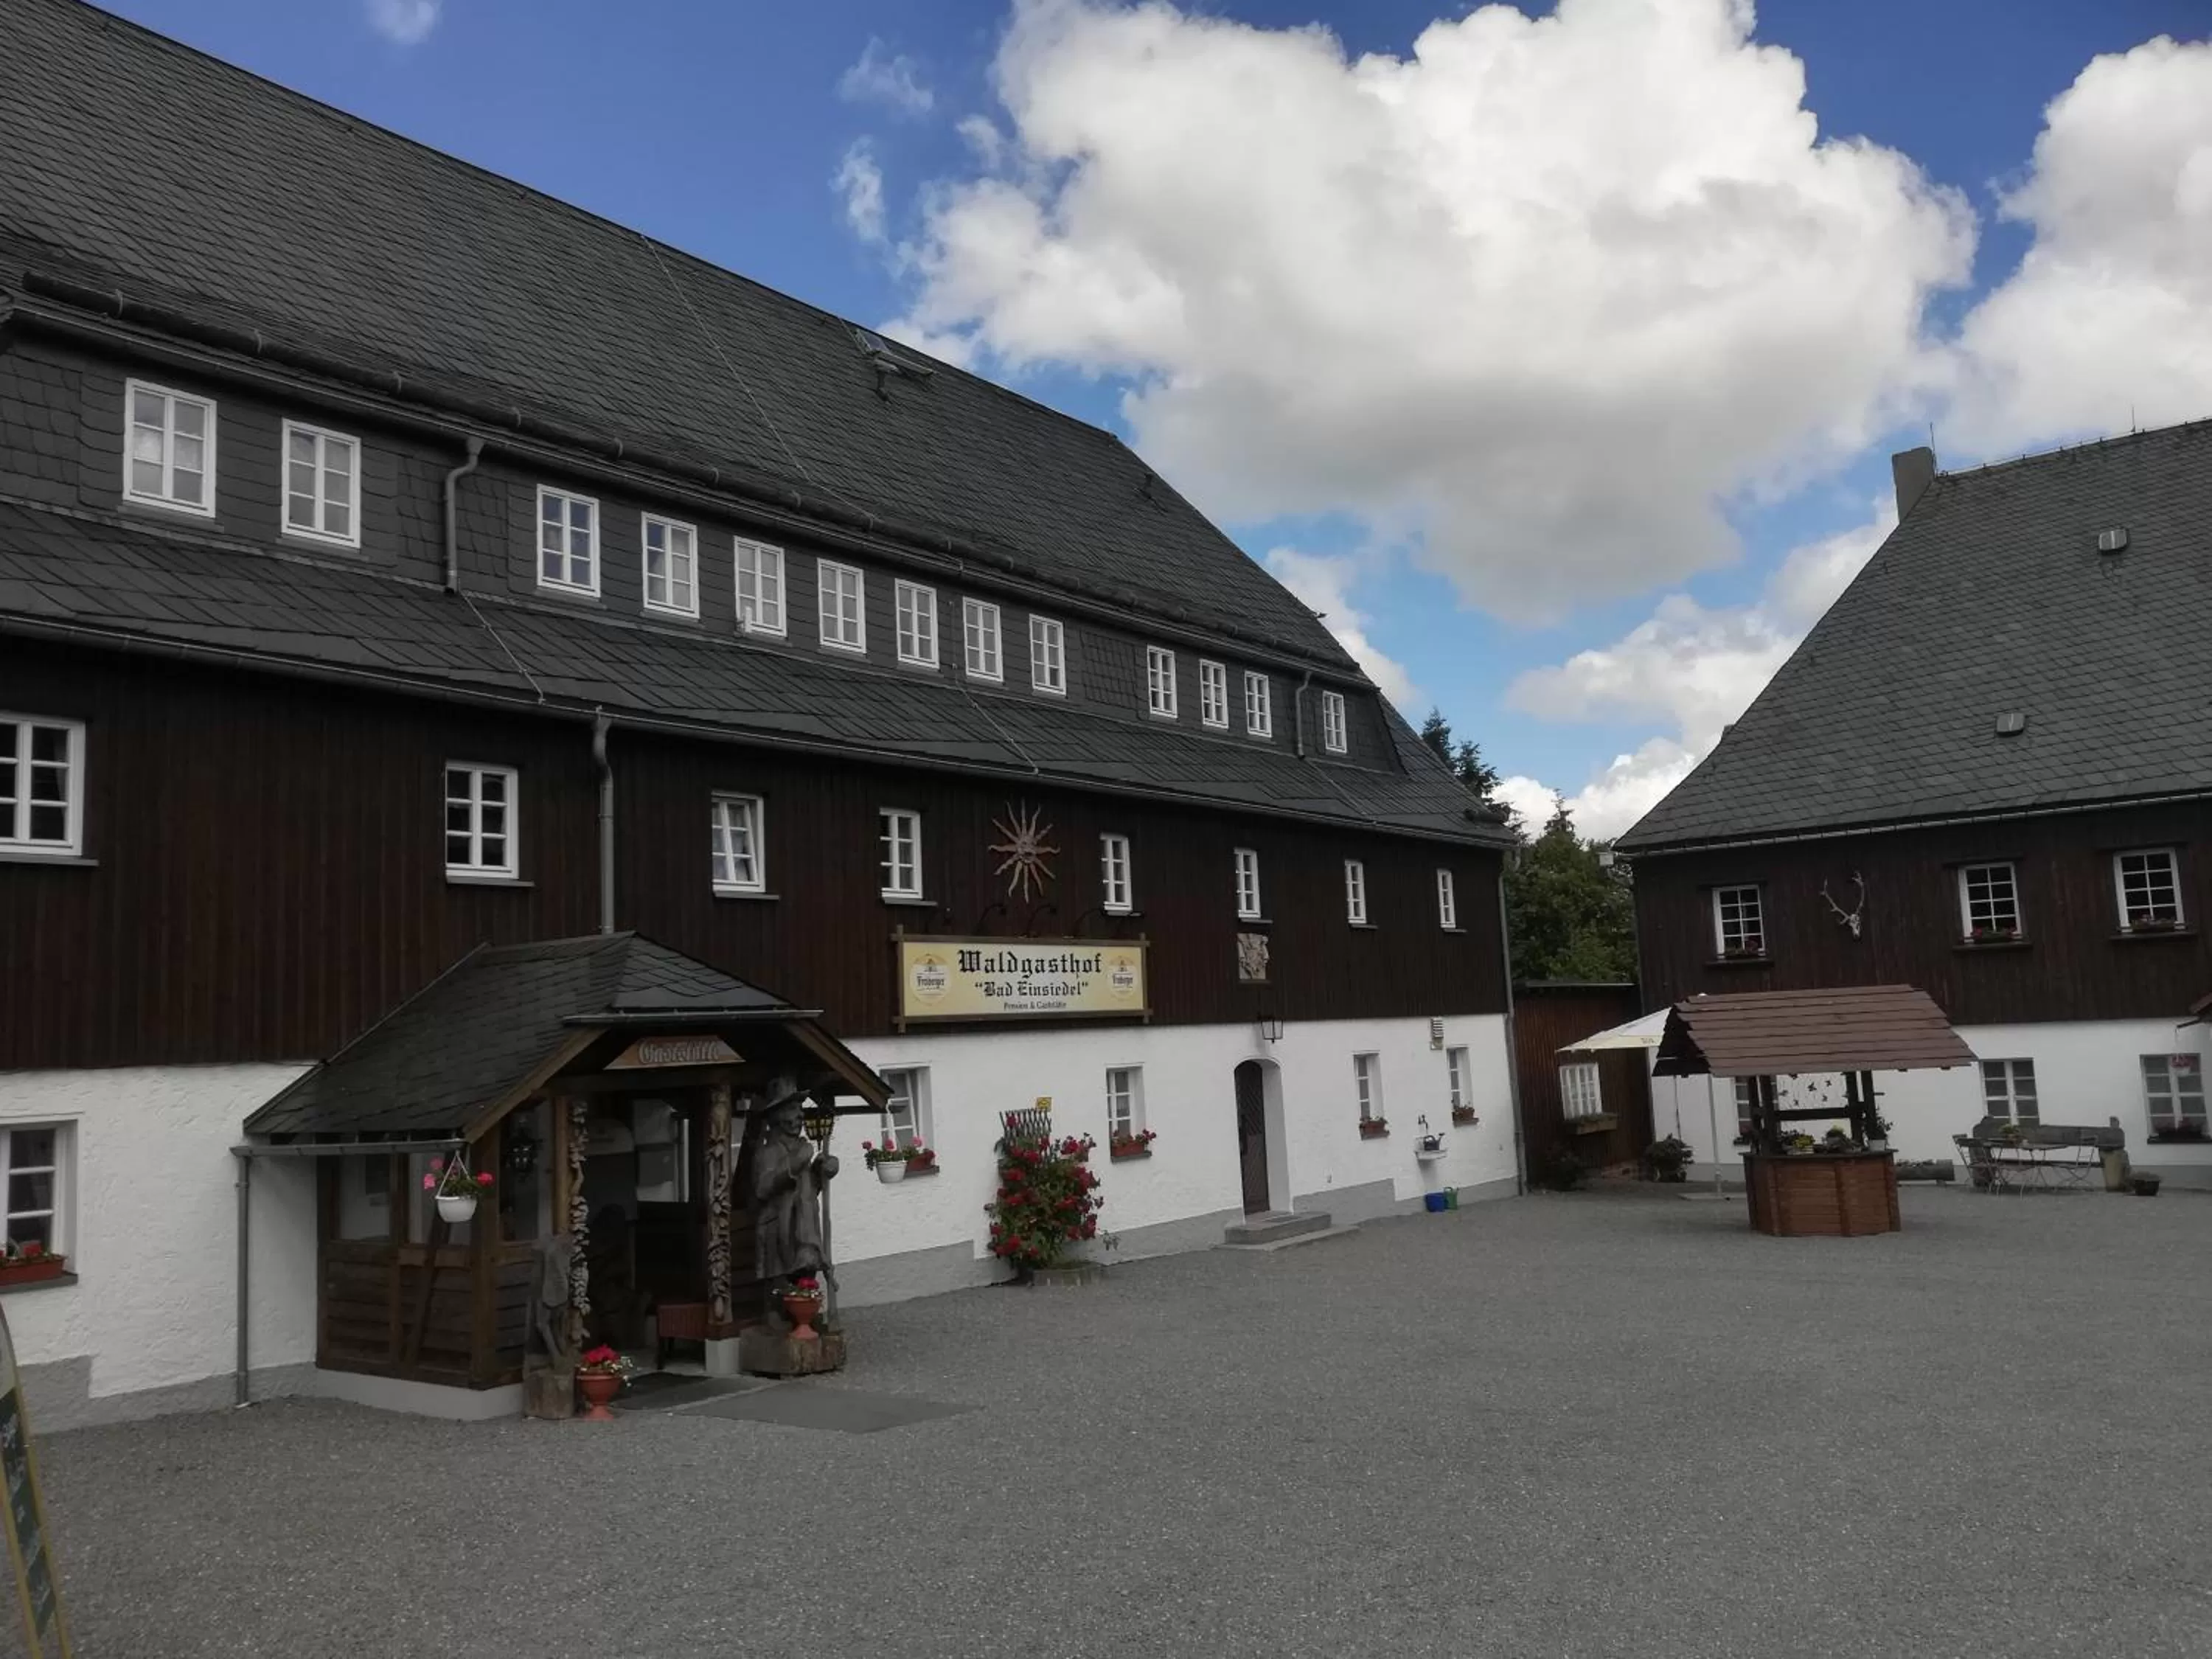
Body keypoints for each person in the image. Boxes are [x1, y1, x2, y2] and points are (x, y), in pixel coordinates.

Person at [751, 1085, 837, 1289]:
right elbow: (762, 1189)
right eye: (792, 1108)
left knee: (806, 1288)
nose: (800, 1115)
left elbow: (808, 1188)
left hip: (805, 1233)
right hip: (779, 1230)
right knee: (780, 1295)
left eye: (800, 1108)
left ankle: (806, 1316)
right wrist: (793, 1165)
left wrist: (821, 1171)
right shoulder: (767, 1151)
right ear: (777, 1116)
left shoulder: (801, 1147)